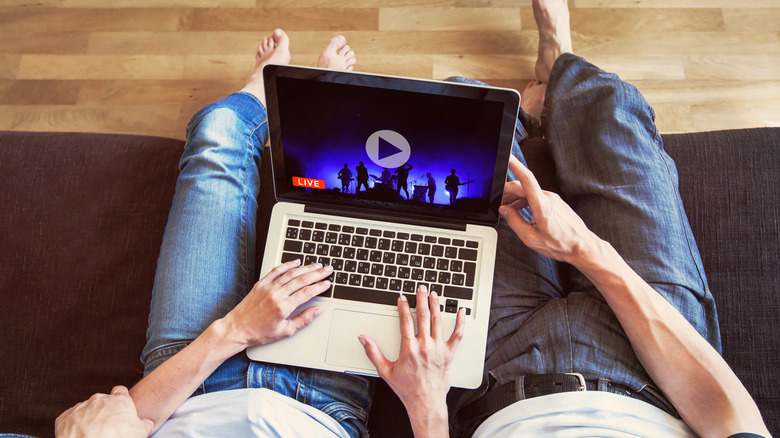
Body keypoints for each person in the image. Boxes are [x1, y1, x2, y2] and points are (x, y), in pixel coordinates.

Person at [56, 1, 771, 435]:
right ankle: (559, 65)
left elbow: (104, 423)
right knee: (578, 115)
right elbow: (728, 411)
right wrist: (586, 250)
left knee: (225, 133)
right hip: (653, 377)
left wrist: (235, 330)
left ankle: (262, 103)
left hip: (491, 381)